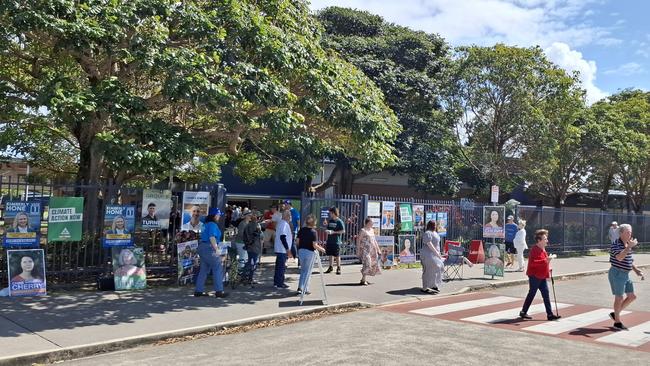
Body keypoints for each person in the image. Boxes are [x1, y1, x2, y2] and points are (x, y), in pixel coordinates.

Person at [519, 229, 561, 321]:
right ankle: (523, 311)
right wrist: (546, 260)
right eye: (545, 239)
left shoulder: (543, 249)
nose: (547, 241)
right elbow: (534, 263)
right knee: (532, 293)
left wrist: (548, 268)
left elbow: (544, 262)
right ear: (539, 240)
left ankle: (549, 314)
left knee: (546, 294)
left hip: (542, 276)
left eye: (546, 238)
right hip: (534, 276)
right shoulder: (535, 250)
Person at [608, 224, 644, 330]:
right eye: (627, 232)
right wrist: (629, 247)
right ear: (621, 233)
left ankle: (616, 314)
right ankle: (617, 322)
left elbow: (629, 260)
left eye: (630, 232)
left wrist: (636, 270)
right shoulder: (616, 244)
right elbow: (619, 258)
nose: (630, 234)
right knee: (619, 297)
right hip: (617, 273)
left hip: (625, 274)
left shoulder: (627, 244)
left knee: (632, 296)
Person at [194, 208, 227, 298]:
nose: (219, 216)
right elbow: (212, 237)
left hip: (202, 247)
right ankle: (219, 291)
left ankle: (198, 291)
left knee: (203, 270)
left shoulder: (205, 224)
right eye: (218, 215)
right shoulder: (212, 224)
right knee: (217, 268)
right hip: (209, 247)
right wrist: (216, 249)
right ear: (215, 215)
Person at [296, 214, 325, 294]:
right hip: (310, 252)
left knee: (303, 270)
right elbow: (314, 245)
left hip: (301, 251)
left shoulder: (301, 230)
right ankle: (305, 289)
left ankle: (300, 287)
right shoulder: (314, 232)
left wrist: (300, 248)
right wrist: (322, 249)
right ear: (314, 223)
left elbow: (297, 242)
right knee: (308, 271)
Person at [356, 218, 381, 286]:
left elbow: (374, 240)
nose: (372, 224)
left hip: (372, 250)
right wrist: (358, 250)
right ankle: (363, 279)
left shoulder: (372, 230)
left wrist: (378, 249)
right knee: (367, 264)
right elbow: (358, 240)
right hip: (365, 250)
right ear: (367, 223)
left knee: (372, 264)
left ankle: (363, 279)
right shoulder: (363, 230)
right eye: (371, 222)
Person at [421, 220, 443, 294]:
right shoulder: (427, 233)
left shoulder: (436, 233)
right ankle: (425, 287)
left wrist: (438, 253)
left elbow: (437, 245)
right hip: (427, 255)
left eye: (435, 225)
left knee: (438, 268)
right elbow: (429, 243)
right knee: (427, 271)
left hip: (434, 255)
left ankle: (434, 285)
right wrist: (437, 253)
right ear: (430, 225)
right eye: (433, 225)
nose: (435, 226)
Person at [273, 210, 294, 289]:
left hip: (280, 249)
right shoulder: (284, 224)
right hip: (282, 249)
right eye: (289, 215)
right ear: (286, 216)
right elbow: (283, 237)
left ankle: (276, 282)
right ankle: (280, 283)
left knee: (279, 267)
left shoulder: (281, 223)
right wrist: (288, 249)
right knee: (281, 267)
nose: (290, 217)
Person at [243, 211, 263, 284]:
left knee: (250, 262)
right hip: (255, 247)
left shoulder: (247, 225)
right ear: (257, 218)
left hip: (249, 247)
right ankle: (249, 278)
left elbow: (244, 236)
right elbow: (261, 236)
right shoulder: (257, 226)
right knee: (253, 263)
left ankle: (246, 277)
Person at [324, 207, 345, 275]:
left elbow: (343, 231)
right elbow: (328, 228)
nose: (330, 214)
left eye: (330, 213)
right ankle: (331, 267)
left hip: (336, 241)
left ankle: (338, 268)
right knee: (330, 254)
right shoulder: (330, 221)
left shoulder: (339, 221)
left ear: (334, 213)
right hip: (330, 240)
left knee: (337, 255)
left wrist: (334, 232)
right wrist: (326, 228)